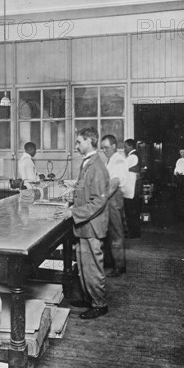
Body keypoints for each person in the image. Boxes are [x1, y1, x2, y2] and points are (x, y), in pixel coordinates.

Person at [55, 126, 109, 320]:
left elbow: (98, 201)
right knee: (84, 266)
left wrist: (72, 212)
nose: (76, 146)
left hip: (92, 227)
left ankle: (99, 304)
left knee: (92, 267)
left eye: (78, 142)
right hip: (84, 226)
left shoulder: (97, 166)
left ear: (89, 141)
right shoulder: (88, 163)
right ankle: (89, 298)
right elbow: (86, 191)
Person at [100, 135, 127, 277]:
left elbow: (114, 184)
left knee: (116, 233)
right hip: (110, 198)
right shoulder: (111, 160)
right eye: (103, 148)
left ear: (114, 146)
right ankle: (111, 262)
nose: (104, 150)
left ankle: (119, 266)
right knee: (109, 232)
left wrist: (101, 199)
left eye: (107, 147)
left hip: (113, 198)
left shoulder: (118, 161)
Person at [123, 139, 141, 238]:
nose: (124, 149)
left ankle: (134, 233)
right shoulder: (132, 156)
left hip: (131, 188)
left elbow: (122, 167)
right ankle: (132, 231)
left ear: (130, 146)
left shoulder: (133, 156)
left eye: (125, 147)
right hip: (129, 187)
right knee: (130, 212)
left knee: (131, 212)